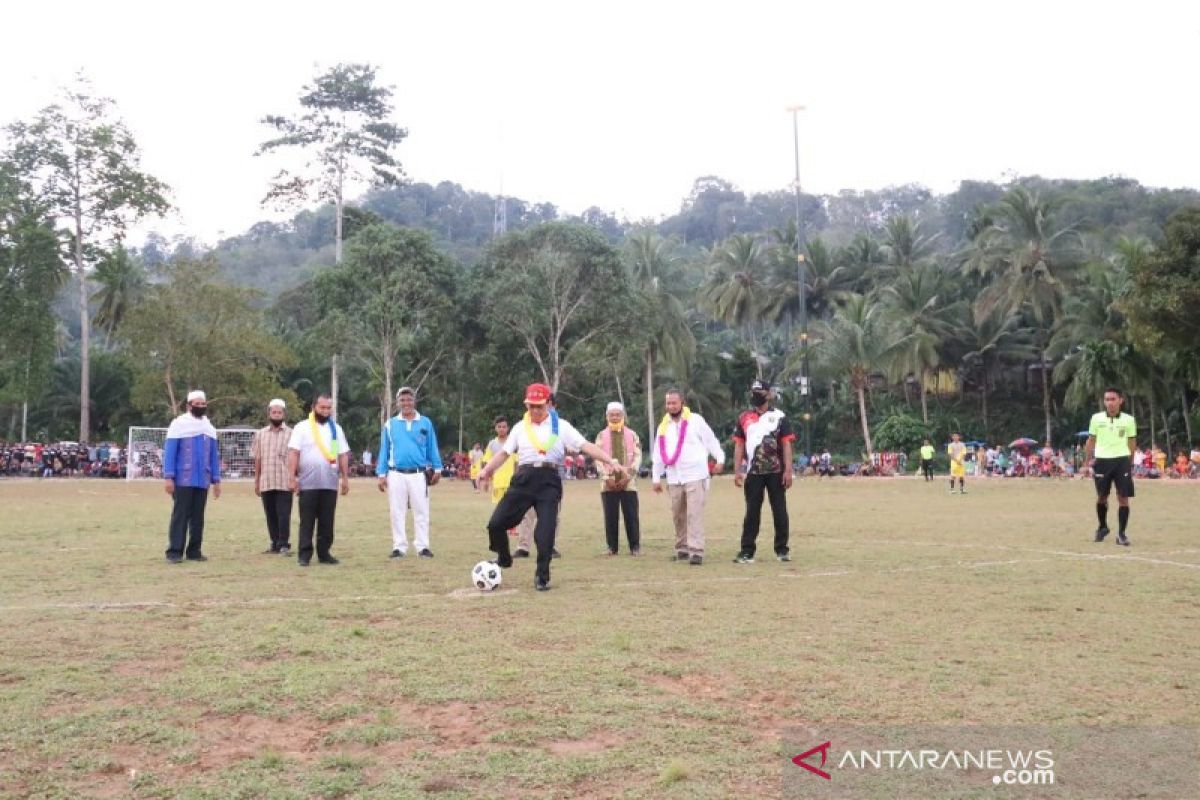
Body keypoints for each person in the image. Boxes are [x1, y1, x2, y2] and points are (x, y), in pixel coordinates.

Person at [477, 383, 626, 591]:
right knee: (496, 523)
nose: (535, 411)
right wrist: (486, 471)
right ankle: (503, 558)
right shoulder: (520, 427)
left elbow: (585, 445)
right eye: (531, 406)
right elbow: (503, 453)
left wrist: (609, 460)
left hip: (549, 481)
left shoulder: (562, 426)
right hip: (524, 478)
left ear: (548, 404)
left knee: (544, 533)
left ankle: (542, 577)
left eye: (539, 406)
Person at [651, 389, 724, 566]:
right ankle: (682, 548)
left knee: (694, 513)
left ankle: (696, 551)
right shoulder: (663, 426)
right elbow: (658, 453)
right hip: (674, 477)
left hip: (696, 474)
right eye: (668, 403)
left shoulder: (696, 421)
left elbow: (711, 440)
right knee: (678, 515)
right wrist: (655, 477)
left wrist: (720, 458)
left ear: (682, 402)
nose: (671, 406)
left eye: (674, 403)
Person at [732, 380, 795, 564]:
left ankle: (782, 549)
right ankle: (747, 550)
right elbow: (739, 445)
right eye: (753, 391)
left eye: (760, 391)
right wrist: (737, 470)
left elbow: (786, 444)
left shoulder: (780, 416)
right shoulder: (744, 417)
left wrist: (788, 470)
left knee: (779, 510)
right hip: (753, 472)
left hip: (776, 472)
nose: (756, 394)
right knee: (752, 511)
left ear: (769, 394)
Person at [376, 386, 443, 559]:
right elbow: (384, 450)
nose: (406, 403)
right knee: (397, 512)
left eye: (409, 399)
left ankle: (422, 546)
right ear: (397, 403)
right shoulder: (390, 424)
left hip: (418, 474)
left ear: (414, 401)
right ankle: (399, 546)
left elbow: (432, 447)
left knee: (421, 511)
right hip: (396, 473)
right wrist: (381, 473)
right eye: (402, 400)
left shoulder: (425, 422)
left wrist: (437, 468)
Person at [287, 393, 350, 566]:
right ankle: (304, 555)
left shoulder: (336, 429)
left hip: (330, 483)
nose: (325, 411)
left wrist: (345, 478)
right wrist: (292, 478)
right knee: (307, 520)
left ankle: (324, 553)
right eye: (322, 407)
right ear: (314, 407)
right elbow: (294, 453)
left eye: (328, 408)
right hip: (308, 483)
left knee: (327, 520)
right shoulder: (302, 427)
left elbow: (342, 454)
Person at [163, 390, 221, 563]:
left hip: (202, 480)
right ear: (189, 406)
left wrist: (216, 480)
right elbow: (170, 453)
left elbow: (213, 456)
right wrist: (168, 477)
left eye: (203, 404)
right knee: (180, 515)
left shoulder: (209, 428)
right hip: (183, 479)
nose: (201, 407)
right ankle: (174, 551)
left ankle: (194, 551)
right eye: (197, 404)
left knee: (198, 517)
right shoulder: (179, 424)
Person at [1085, 387, 1137, 546]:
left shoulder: (1128, 420)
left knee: (1123, 498)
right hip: (1102, 461)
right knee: (1102, 497)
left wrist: (1130, 461)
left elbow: (1132, 442)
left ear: (1120, 400)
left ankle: (1121, 534)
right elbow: (1091, 441)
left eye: (1113, 399)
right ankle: (1102, 527)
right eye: (1107, 399)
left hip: (1121, 461)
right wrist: (1089, 460)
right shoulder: (1096, 418)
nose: (1110, 402)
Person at [595, 401, 642, 556]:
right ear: (606, 416)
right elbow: (597, 458)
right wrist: (606, 477)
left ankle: (635, 547)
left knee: (631, 515)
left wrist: (628, 476)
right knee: (610, 516)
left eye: (618, 414)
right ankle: (612, 547)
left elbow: (637, 457)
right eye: (612, 414)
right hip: (607, 483)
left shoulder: (632, 435)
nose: (615, 417)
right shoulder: (601, 435)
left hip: (628, 483)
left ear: (623, 416)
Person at [252, 398, 293, 555]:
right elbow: (258, 458)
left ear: (284, 414)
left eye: (279, 412)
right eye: (273, 412)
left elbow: (296, 457)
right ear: (268, 413)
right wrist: (256, 481)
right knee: (270, 514)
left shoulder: (291, 433)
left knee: (283, 514)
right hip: (266, 480)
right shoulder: (260, 434)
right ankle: (274, 543)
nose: (276, 415)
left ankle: (284, 544)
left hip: (284, 480)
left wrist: (295, 478)